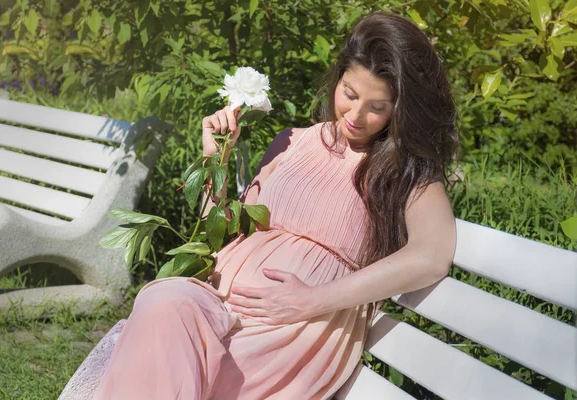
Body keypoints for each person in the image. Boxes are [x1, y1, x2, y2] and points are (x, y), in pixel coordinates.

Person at [93, 10, 458, 400]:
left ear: (400, 109)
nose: (355, 115)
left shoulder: (403, 171)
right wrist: (216, 158)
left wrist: (311, 300)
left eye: (377, 107)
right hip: (218, 305)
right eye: (349, 94)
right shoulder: (291, 141)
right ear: (337, 79)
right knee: (161, 300)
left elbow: (431, 255)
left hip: (297, 328)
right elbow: (222, 235)